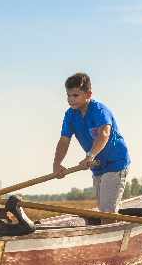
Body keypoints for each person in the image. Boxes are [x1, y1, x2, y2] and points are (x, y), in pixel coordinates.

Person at [52, 72, 130, 217]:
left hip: (115, 163)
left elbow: (104, 133)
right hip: (97, 167)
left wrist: (89, 156)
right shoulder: (70, 115)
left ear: (88, 94)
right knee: (103, 210)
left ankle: (112, 237)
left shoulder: (99, 110)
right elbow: (64, 141)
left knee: (107, 213)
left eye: (75, 95)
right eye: (68, 95)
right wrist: (57, 164)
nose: (71, 100)